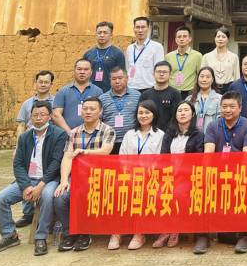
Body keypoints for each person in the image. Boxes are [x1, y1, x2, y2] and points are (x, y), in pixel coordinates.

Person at [0, 101, 66, 256]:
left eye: (42, 114)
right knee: (0, 199)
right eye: (35, 115)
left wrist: (40, 185)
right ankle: (9, 235)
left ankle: (41, 236)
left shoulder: (59, 135)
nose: (38, 118)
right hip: (28, 180)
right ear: (30, 117)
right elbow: (17, 164)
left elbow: (56, 163)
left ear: (50, 116)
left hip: (48, 180)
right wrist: (25, 186)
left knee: (47, 196)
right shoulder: (25, 137)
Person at [53, 96, 116, 253]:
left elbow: (105, 151)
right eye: (85, 109)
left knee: (84, 194)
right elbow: (67, 157)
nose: (88, 112)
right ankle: (70, 233)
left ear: (100, 112)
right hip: (77, 176)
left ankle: (84, 234)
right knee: (60, 197)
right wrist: (63, 180)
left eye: (92, 109)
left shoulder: (107, 130)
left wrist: (84, 152)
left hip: (99, 176)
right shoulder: (74, 133)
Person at [203, 91, 247, 253]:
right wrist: (209, 174)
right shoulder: (213, 126)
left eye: (232, 106)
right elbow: (208, 153)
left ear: (240, 108)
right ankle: (203, 236)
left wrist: (239, 176)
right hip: (218, 172)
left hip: (240, 172)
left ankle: (245, 235)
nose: (228, 110)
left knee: (246, 189)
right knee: (202, 188)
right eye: (224, 106)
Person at [110, 100, 164, 250]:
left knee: (142, 191)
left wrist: (145, 176)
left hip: (150, 177)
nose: (143, 116)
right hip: (129, 175)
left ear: (154, 115)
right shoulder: (129, 134)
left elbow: (160, 160)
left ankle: (139, 233)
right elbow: (122, 158)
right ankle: (117, 233)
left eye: (147, 112)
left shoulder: (160, 135)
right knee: (117, 191)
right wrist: (129, 175)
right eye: (140, 113)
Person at [161, 101, 207, 254]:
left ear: (192, 114)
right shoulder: (169, 134)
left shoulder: (198, 134)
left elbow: (198, 159)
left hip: (188, 177)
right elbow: (163, 156)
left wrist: (182, 174)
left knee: (178, 193)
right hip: (169, 175)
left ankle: (175, 229)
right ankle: (165, 230)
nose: (182, 113)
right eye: (179, 110)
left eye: (186, 110)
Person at [13, 69, 55, 228]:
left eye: (46, 82)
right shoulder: (27, 103)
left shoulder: (56, 102)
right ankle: (28, 213)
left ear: (51, 84)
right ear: (35, 83)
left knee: (45, 177)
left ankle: (44, 216)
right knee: (26, 176)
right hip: (29, 145)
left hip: (47, 144)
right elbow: (21, 125)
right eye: (40, 82)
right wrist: (18, 146)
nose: (43, 84)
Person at [52, 58, 103, 135]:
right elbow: (56, 115)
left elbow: (101, 115)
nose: (82, 72)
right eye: (79, 69)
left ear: (91, 72)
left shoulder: (98, 92)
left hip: (92, 136)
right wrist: (70, 133)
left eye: (86, 69)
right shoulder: (63, 91)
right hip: (67, 135)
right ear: (74, 71)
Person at [98, 66, 141, 154]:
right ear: (110, 80)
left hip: (132, 141)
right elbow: (99, 121)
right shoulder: (102, 98)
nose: (117, 81)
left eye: (120, 78)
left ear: (127, 78)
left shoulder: (137, 95)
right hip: (109, 142)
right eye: (114, 79)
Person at [125, 16, 165, 93]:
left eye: (143, 27)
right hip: (131, 88)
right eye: (137, 27)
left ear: (148, 29)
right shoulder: (130, 48)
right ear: (134, 29)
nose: (140, 30)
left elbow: (159, 70)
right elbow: (128, 68)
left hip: (149, 88)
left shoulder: (157, 47)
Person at [83, 21, 126, 92]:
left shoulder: (118, 53)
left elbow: (122, 76)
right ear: (96, 34)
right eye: (99, 33)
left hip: (110, 93)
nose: (102, 35)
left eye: (105, 33)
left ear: (111, 35)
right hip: (91, 92)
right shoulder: (88, 54)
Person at [164, 25, 202, 100]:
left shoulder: (197, 56)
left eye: (184, 36)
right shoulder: (168, 56)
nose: (181, 39)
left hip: (189, 93)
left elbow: (200, 75)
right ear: (175, 39)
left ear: (190, 39)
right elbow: (166, 75)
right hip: (172, 92)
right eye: (179, 37)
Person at [142, 61, 182, 130]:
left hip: (168, 133)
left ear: (170, 74)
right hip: (148, 132)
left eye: (164, 72)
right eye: (158, 71)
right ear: (153, 74)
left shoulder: (175, 94)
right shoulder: (145, 95)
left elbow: (177, 117)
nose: (161, 74)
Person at [201, 25, 240, 93]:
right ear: (215, 38)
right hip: (211, 88)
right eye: (218, 36)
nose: (220, 39)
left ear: (228, 39)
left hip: (229, 88)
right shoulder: (206, 56)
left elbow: (237, 77)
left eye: (223, 37)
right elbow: (202, 76)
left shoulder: (234, 57)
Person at [186, 66, 222, 132]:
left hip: (212, 135)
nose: (204, 80)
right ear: (197, 79)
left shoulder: (220, 99)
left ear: (212, 80)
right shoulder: (189, 99)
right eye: (202, 76)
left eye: (208, 77)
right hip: (193, 135)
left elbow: (221, 121)